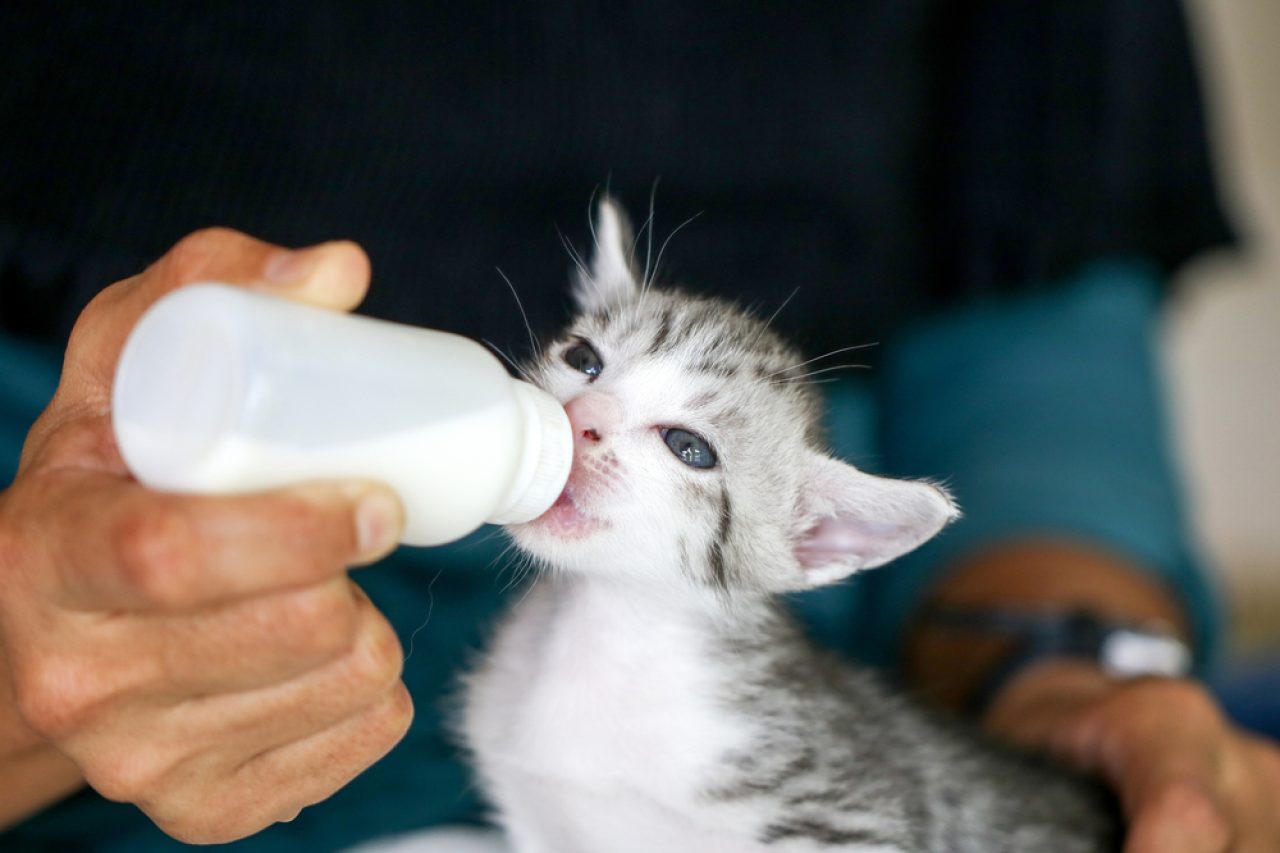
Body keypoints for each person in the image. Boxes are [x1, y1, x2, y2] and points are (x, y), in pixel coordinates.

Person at [1, 2, 1277, 851]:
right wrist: (19, 679)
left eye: (684, 443)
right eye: (584, 361)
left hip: (906, 655)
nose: (591, 417)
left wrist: (1059, 657)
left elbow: (1037, 292)